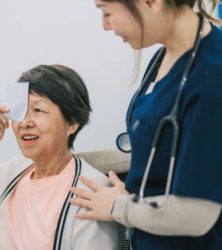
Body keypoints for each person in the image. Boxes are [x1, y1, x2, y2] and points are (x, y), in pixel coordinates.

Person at [70, 0, 222, 249]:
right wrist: (74, 160)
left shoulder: (212, 77)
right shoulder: (166, 55)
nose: (105, 25)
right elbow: (156, 146)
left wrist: (117, 207)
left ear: (151, 2)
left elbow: (196, 215)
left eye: (107, 12)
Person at [0, 64, 119, 250]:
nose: (25, 123)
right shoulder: (11, 173)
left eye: (38, 110)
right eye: (21, 112)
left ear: (72, 124)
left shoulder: (92, 191)